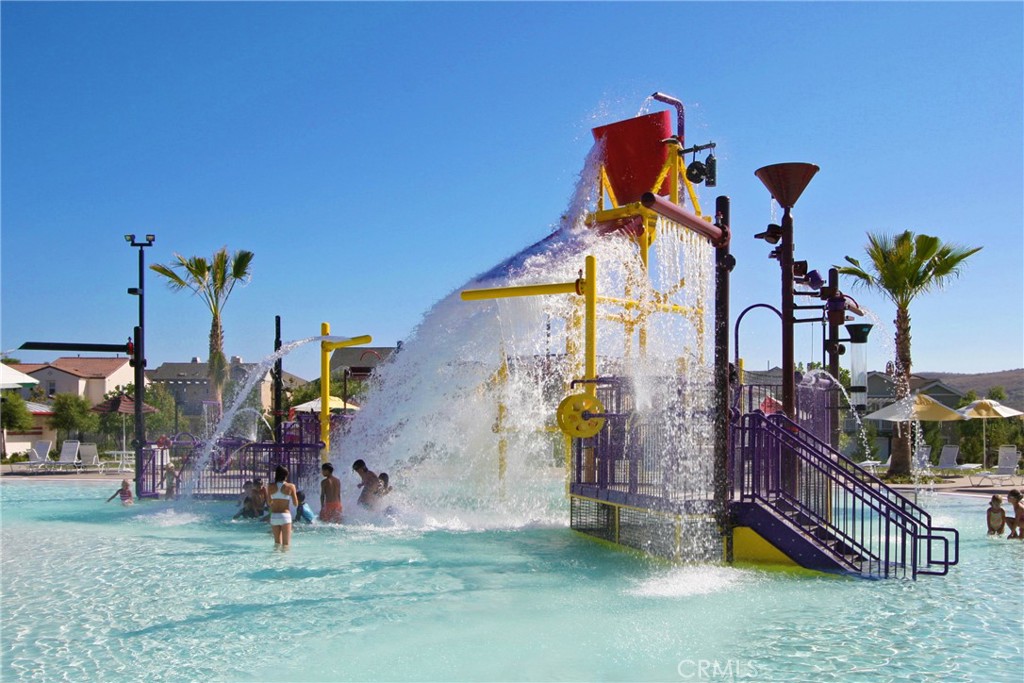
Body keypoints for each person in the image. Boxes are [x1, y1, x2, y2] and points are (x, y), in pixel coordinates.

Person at [267, 465, 299, 547]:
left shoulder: (270, 486)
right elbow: (296, 504)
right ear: (286, 475)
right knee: (286, 545)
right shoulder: (291, 486)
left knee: (277, 544)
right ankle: (284, 560)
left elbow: (269, 502)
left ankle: (276, 559)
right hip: (285, 516)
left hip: (274, 516)